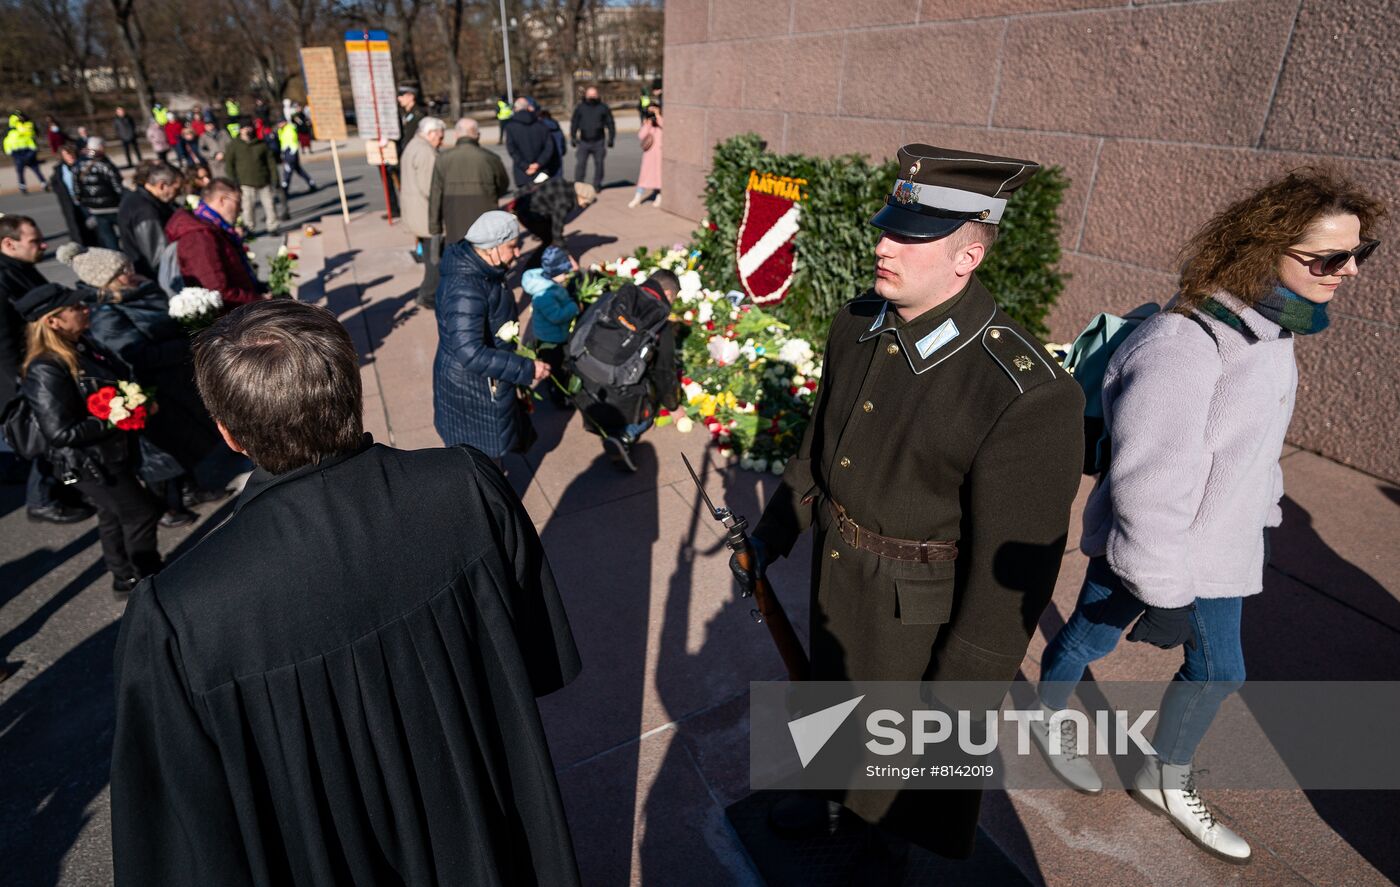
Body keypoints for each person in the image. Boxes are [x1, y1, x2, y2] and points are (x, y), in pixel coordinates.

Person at [109, 299, 582, 885]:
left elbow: (179, 837)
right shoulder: (466, 486)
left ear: (229, 435)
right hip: (493, 833)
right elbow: (540, 660)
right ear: (349, 392)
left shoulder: (183, 614)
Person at [736, 145, 1084, 867]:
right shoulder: (857, 322)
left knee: (907, 775)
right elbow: (817, 449)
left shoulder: (1022, 390)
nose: (883, 245)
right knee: (830, 694)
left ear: (969, 256)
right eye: (888, 227)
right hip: (839, 570)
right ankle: (829, 791)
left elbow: (1007, 583)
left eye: (910, 235)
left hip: (921, 616)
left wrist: (962, 696)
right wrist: (774, 533)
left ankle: (888, 840)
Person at [1030, 168, 1385, 863]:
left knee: (1221, 670)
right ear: (1264, 247)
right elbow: (1148, 486)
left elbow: (1250, 445)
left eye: (1358, 253)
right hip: (1158, 551)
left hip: (1220, 548)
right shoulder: (1185, 341)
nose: (1348, 272)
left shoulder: (1273, 331)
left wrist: (1263, 505)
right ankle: (1046, 719)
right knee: (1090, 637)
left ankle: (1163, 776)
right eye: (1329, 258)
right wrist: (1166, 593)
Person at [65, 245, 227, 526]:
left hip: (172, 380)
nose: (131, 272)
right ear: (108, 279)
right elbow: (135, 354)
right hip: (149, 386)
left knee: (184, 441)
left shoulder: (138, 292)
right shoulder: (105, 313)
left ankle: (189, 491)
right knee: (162, 452)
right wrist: (187, 343)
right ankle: (167, 506)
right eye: (123, 270)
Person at [18, 282, 163, 596]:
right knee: (141, 513)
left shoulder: (80, 343)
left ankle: (124, 578)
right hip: (89, 463)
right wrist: (116, 416)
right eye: (76, 308)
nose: (86, 309)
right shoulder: (47, 367)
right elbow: (59, 432)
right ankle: (150, 580)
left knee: (113, 513)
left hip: (107, 453)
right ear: (52, 321)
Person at [432, 210, 551, 462]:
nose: (518, 252)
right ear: (491, 248)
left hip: (479, 381)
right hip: (473, 388)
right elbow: (470, 352)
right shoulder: (466, 288)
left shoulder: (483, 271)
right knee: (482, 466)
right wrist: (526, 368)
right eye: (513, 246)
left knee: (482, 460)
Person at [0, 215, 94, 523]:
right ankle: (40, 500)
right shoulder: (4, 277)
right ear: (8, 244)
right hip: (22, 371)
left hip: (37, 364)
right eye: (34, 241)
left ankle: (60, 489)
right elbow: (4, 340)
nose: (43, 245)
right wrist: (22, 377)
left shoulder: (18, 267)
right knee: (43, 435)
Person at [570, 270, 679, 472]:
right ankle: (624, 436)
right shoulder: (660, 323)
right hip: (618, 386)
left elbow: (583, 325)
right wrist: (672, 405)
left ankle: (594, 414)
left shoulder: (614, 297)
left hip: (584, 369)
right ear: (668, 293)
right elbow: (664, 372)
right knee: (649, 403)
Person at [164, 177, 265, 307]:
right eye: (238, 202)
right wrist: (260, 300)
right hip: (235, 317)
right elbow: (217, 291)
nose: (240, 210)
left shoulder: (212, 227)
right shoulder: (199, 237)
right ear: (222, 200)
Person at [428, 118, 511, 245]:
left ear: (456, 135)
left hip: (454, 216)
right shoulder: (491, 158)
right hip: (485, 213)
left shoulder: (442, 159)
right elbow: (503, 185)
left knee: (459, 254)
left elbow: (436, 194)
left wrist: (435, 226)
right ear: (477, 135)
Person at [522, 245, 578, 407]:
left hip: (553, 334)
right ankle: (559, 398)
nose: (567, 275)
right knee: (555, 369)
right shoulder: (544, 295)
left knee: (557, 365)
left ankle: (558, 389)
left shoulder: (550, 283)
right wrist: (574, 307)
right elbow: (556, 316)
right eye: (565, 273)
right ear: (554, 273)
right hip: (550, 338)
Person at [399, 116, 446, 309]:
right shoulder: (426, 152)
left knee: (430, 255)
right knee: (434, 257)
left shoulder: (413, 145)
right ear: (431, 133)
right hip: (426, 213)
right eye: (440, 137)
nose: (442, 141)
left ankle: (427, 293)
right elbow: (431, 188)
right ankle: (428, 295)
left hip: (417, 211)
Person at [513, 176, 596, 269]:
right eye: (586, 203)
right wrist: (570, 260)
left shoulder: (567, 186)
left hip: (526, 206)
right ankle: (531, 268)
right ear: (581, 195)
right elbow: (557, 233)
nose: (585, 207)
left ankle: (545, 262)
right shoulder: (566, 201)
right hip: (529, 214)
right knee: (549, 240)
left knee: (551, 235)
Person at [118, 161, 182, 279]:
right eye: (176, 189)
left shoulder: (136, 197)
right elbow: (159, 258)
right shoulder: (147, 212)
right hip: (156, 277)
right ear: (162, 185)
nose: (178, 195)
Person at [225, 124, 280, 234]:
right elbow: (229, 164)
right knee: (248, 208)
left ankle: (272, 227)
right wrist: (233, 180)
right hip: (245, 182)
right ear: (241, 130)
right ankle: (249, 229)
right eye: (245, 128)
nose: (248, 130)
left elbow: (271, 163)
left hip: (263, 180)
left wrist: (275, 178)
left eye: (249, 127)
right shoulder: (234, 145)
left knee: (270, 205)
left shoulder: (261, 144)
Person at [75, 138, 125, 250]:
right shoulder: (104, 164)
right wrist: (122, 198)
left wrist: (84, 202)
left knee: (109, 239)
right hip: (113, 206)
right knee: (126, 234)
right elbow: (117, 185)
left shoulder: (79, 165)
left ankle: (114, 260)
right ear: (100, 147)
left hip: (95, 208)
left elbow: (77, 188)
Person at [502, 97, 557, 190]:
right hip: (542, 170)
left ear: (516, 109)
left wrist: (525, 166)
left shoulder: (510, 127)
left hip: (522, 172)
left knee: (525, 201)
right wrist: (538, 164)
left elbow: (512, 149)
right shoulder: (541, 125)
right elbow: (549, 147)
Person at [570, 86, 614, 192]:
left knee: (599, 164)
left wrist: (611, 138)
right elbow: (574, 123)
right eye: (590, 94)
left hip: (599, 141)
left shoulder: (603, 107)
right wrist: (573, 137)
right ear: (586, 95)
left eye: (594, 94)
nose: (592, 96)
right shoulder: (580, 107)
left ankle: (597, 185)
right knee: (580, 164)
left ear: (598, 95)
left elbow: (610, 123)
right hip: (584, 141)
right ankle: (579, 184)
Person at [50, 143, 95, 248]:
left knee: (91, 225)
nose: (70, 157)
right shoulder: (59, 170)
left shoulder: (83, 165)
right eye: (66, 155)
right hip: (70, 202)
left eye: (71, 154)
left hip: (85, 202)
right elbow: (56, 184)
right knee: (76, 226)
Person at [629, 107, 663, 208]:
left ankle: (659, 195)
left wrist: (657, 115)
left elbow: (665, 125)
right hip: (649, 155)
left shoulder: (661, 122)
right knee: (644, 177)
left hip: (660, 155)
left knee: (659, 177)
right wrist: (647, 124)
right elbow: (641, 135)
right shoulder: (648, 124)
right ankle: (637, 197)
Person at [5, 111, 46, 193]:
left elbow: (30, 137)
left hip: (27, 150)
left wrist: (32, 151)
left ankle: (44, 183)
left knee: (35, 169)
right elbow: (6, 141)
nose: (20, 118)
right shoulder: (10, 130)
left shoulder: (27, 125)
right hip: (16, 152)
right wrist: (9, 151)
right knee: (20, 171)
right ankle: (22, 186)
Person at [275, 118, 316, 194]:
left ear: (284, 122)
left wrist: (291, 151)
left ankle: (285, 188)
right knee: (298, 169)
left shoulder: (289, 128)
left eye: (280, 123)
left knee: (287, 170)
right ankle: (311, 183)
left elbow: (292, 140)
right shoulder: (281, 130)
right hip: (286, 151)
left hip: (291, 151)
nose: (279, 125)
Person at [537, 108, 565, 178]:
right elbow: (563, 143)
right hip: (558, 156)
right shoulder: (556, 125)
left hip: (544, 158)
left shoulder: (539, 126)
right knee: (558, 177)